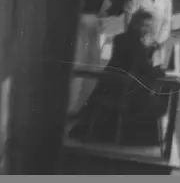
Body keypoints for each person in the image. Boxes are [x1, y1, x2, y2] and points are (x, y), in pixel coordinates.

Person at [70, 10, 168, 147]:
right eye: (144, 25)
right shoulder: (137, 45)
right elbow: (144, 68)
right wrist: (160, 72)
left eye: (149, 26)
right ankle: (144, 139)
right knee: (157, 97)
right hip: (123, 90)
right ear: (135, 24)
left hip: (108, 85)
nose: (147, 29)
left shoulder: (120, 38)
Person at [125, 0, 173, 67]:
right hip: (139, 45)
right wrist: (141, 42)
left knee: (154, 71)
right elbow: (129, 23)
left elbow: (167, 24)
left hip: (157, 46)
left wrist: (158, 42)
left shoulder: (166, 0)